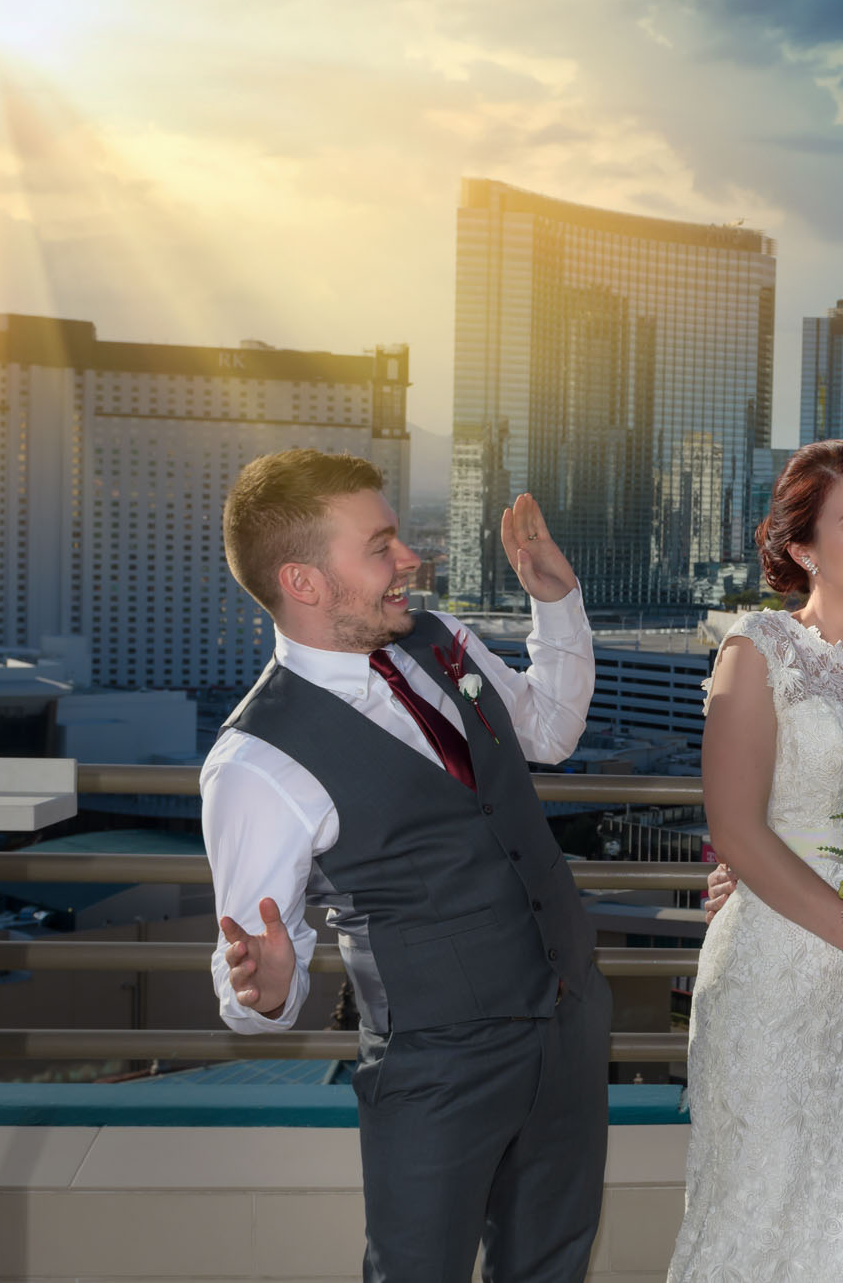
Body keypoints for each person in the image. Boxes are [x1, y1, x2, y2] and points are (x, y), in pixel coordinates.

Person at [202, 449, 606, 1283]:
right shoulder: (254, 762)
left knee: (554, 1268)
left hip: (568, 1024)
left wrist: (555, 601)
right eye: (381, 544)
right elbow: (247, 984)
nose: (409, 559)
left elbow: (550, 733)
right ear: (304, 581)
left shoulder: (435, 638)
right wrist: (267, 985)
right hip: (437, 1072)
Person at [667, 440, 843, 1282]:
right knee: (764, 1208)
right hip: (780, 975)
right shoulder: (756, 650)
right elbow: (740, 833)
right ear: (802, 549)